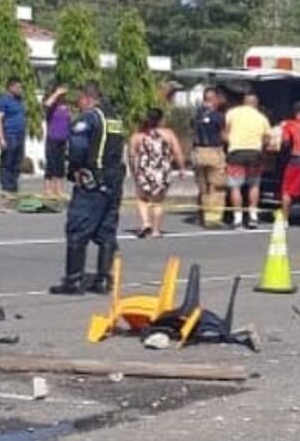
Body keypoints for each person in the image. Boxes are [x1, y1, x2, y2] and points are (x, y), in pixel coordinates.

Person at [50, 83, 126, 295]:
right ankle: (103, 279)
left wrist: (74, 169)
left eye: (79, 102)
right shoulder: (115, 119)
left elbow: (78, 146)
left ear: (87, 98)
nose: (79, 106)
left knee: (77, 229)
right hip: (114, 181)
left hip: (91, 181)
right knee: (106, 231)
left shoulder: (90, 117)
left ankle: (73, 281)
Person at [129, 108, 186, 238]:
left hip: (144, 170)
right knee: (158, 201)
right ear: (160, 120)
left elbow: (132, 155)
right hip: (162, 170)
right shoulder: (168, 134)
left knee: (142, 198)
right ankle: (156, 230)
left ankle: (145, 223)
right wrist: (181, 168)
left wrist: (134, 170)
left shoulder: (138, 136)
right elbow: (177, 152)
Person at [224, 92, 270, 229]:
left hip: (236, 153)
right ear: (256, 103)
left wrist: (230, 142)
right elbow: (267, 138)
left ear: (244, 102)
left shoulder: (231, 113)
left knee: (235, 186)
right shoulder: (262, 118)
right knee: (254, 185)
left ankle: (237, 219)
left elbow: (225, 132)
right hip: (254, 154)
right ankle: (253, 217)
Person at [191, 87, 227, 228]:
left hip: (198, 152)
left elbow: (193, 130)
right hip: (214, 152)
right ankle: (212, 218)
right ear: (215, 99)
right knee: (215, 186)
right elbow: (223, 135)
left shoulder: (197, 116)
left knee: (202, 187)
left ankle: (201, 215)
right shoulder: (219, 116)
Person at [0, 77, 27, 199]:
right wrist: (1, 138)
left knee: (17, 162)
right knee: (7, 162)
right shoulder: (3, 101)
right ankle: (6, 188)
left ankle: (13, 188)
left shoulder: (19, 101)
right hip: (9, 135)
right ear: (11, 87)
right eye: (18, 87)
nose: (20, 89)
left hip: (20, 135)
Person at [43, 83, 71, 201]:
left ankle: (58, 190)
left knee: (60, 166)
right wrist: (56, 93)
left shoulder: (65, 105)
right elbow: (46, 104)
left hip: (63, 138)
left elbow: (69, 120)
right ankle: (47, 190)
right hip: (52, 137)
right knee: (51, 164)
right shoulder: (51, 104)